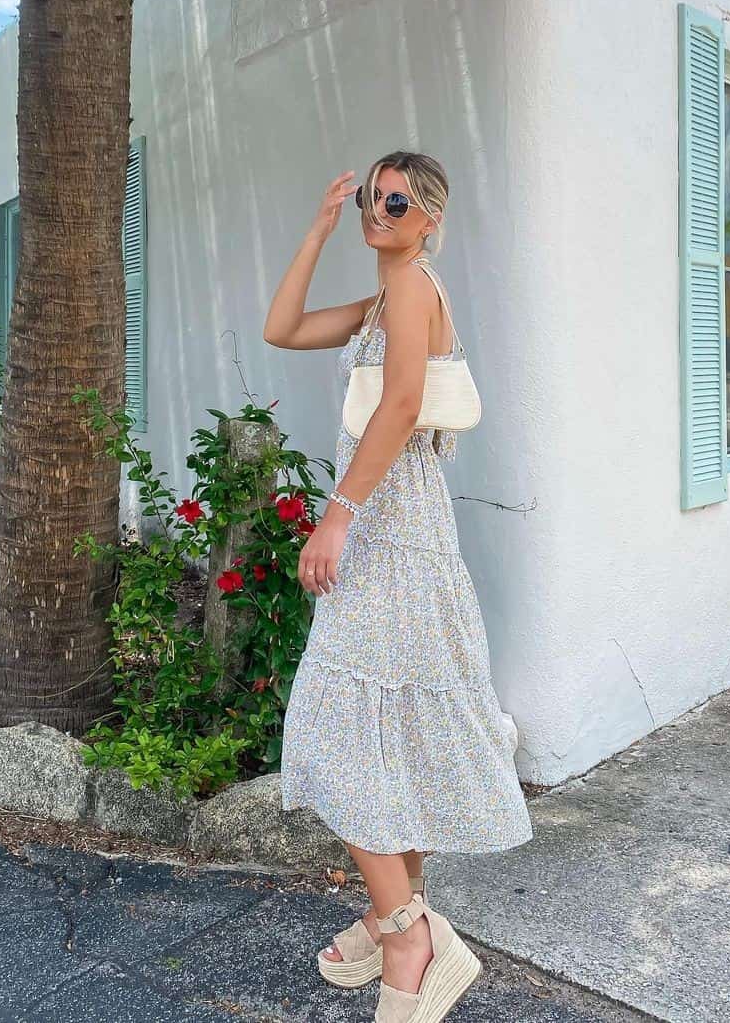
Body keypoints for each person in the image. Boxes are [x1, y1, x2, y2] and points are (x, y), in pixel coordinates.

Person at [265, 149, 533, 1022]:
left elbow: (403, 401)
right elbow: (283, 327)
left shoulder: (415, 285)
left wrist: (336, 513)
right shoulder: (385, 300)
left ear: (427, 221)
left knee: (335, 730)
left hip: (391, 531)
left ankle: (409, 933)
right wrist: (315, 225)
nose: (381, 209)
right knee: (384, 731)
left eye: (399, 200)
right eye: (376, 197)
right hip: (387, 527)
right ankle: (398, 920)